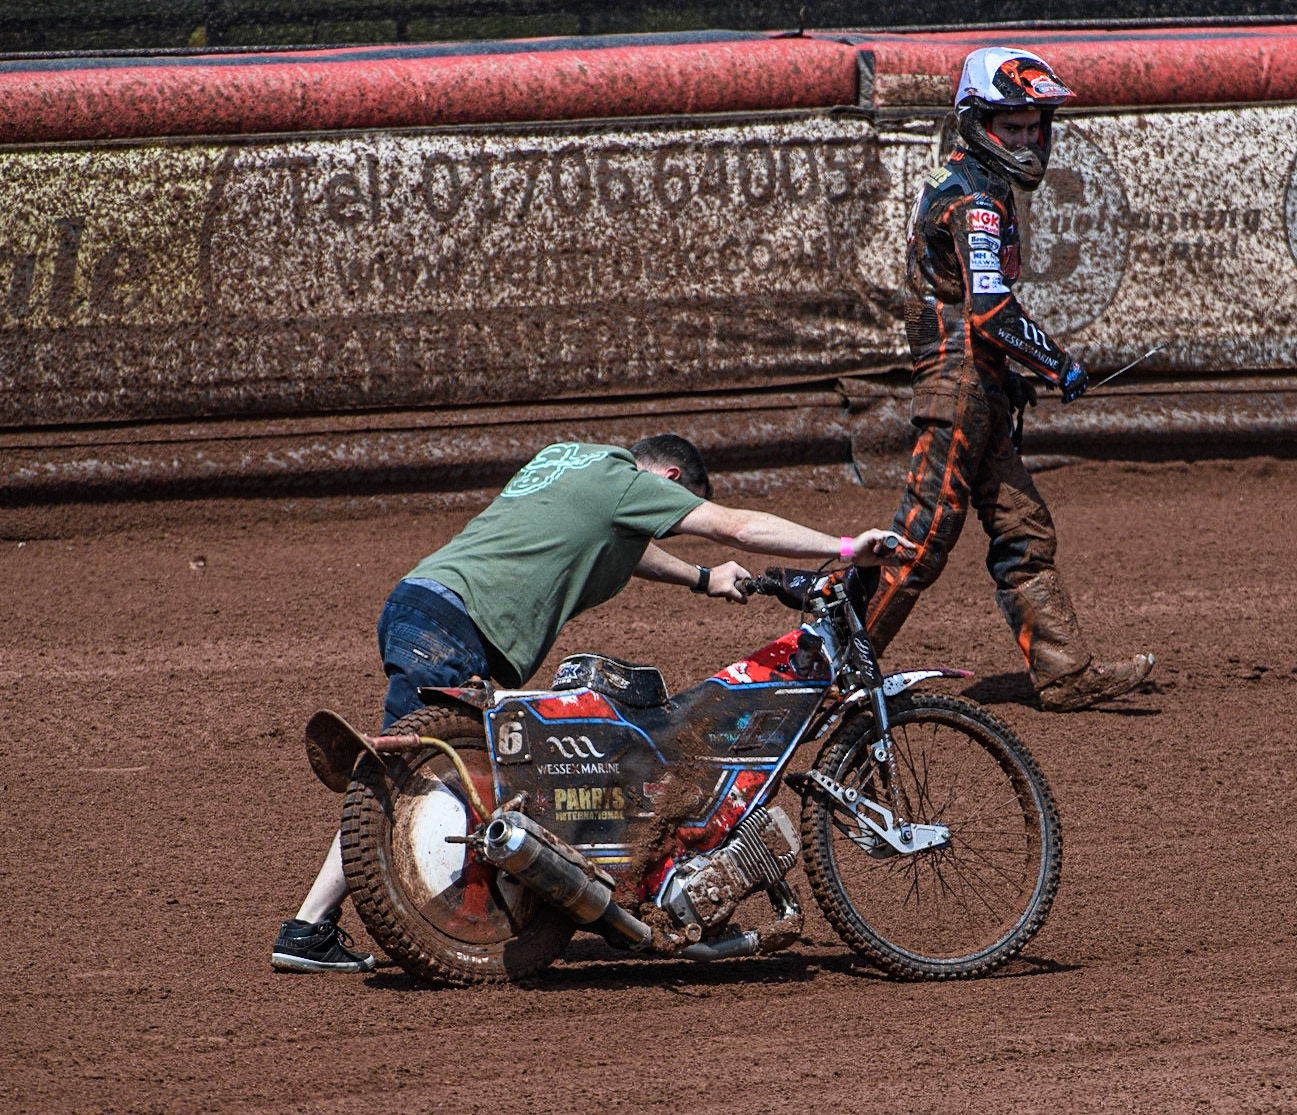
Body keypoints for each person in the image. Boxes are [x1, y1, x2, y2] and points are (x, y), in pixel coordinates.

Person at [273, 433, 911, 972]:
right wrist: (848, 547)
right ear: (665, 478)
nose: (673, 513)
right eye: (676, 501)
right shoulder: (622, 480)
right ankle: (307, 929)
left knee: (420, 770)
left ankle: (314, 929)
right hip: (460, 624)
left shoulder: (570, 461)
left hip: (424, 602)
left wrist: (701, 578)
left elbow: (617, 547)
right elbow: (737, 526)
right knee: (406, 781)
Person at [864, 47, 1154, 713]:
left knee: (1025, 530)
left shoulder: (974, 183)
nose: (1026, 140)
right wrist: (1058, 364)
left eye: (1033, 127)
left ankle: (1065, 673)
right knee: (921, 542)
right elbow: (991, 312)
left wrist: (1009, 378)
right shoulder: (976, 201)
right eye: (1011, 127)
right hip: (958, 388)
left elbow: (972, 309)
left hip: (977, 387)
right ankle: (831, 677)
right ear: (978, 124)